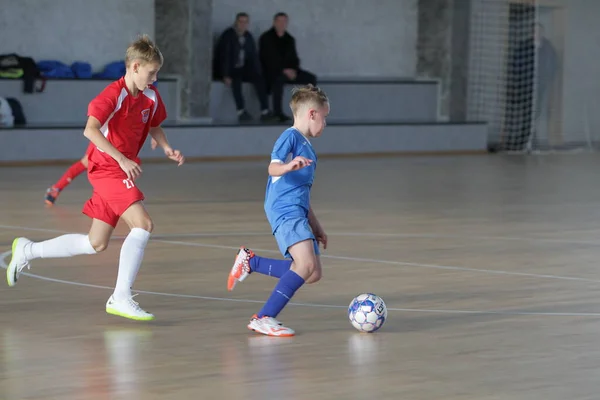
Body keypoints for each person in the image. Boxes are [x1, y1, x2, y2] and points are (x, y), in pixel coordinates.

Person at [6, 35, 185, 321]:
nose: (155, 78)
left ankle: (27, 250)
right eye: (152, 72)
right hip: (107, 169)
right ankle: (121, 297)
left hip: (117, 170)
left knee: (95, 243)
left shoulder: (150, 95)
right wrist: (122, 158)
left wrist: (166, 147)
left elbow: (154, 125)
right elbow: (90, 130)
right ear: (135, 67)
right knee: (143, 224)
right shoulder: (112, 95)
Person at [227, 84, 329, 336]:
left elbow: (302, 192)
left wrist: (315, 225)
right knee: (303, 266)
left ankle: (251, 262)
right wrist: (289, 166)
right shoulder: (290, 137)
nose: (325, 124)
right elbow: (272, 168)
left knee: (313, 272)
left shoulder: (309, 148)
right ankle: (263, 317)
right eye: (325, 118)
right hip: (284, 209)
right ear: (312, 114)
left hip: (298, 209)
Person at [45, 138, 158, 206]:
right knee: (86, 162)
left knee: (134, 163)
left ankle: (119, 195)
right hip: (106, 135)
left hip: (124, 138)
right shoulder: (115, 102)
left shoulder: (141, 102)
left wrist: (154, 133)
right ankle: (56, 188)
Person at [214, 12, 276, 123]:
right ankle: (241, 111)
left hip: (244, 69)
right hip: (231, 69)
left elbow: (253, 57)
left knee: (259, 80)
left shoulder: (248, 37)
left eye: (245, 22)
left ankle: (265, 111)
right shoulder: (228, 36)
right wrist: (225, 75)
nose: (242, 25)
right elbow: (224, 56)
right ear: (236, 23)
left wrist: (258, 72)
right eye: (240, 22)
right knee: (236, 81)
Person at [259, 12, 317, 122]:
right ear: (274, 22)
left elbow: (294, 58)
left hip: (289, 71)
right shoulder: (266, 38)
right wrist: (283, 70)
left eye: (284, 21)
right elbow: (267, 59)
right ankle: (278, 113)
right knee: (278, 81)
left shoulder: (290, 39)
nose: (282, 24)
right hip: (273, 72)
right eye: (279, 21)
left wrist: (293, 70)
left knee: (311, 79)